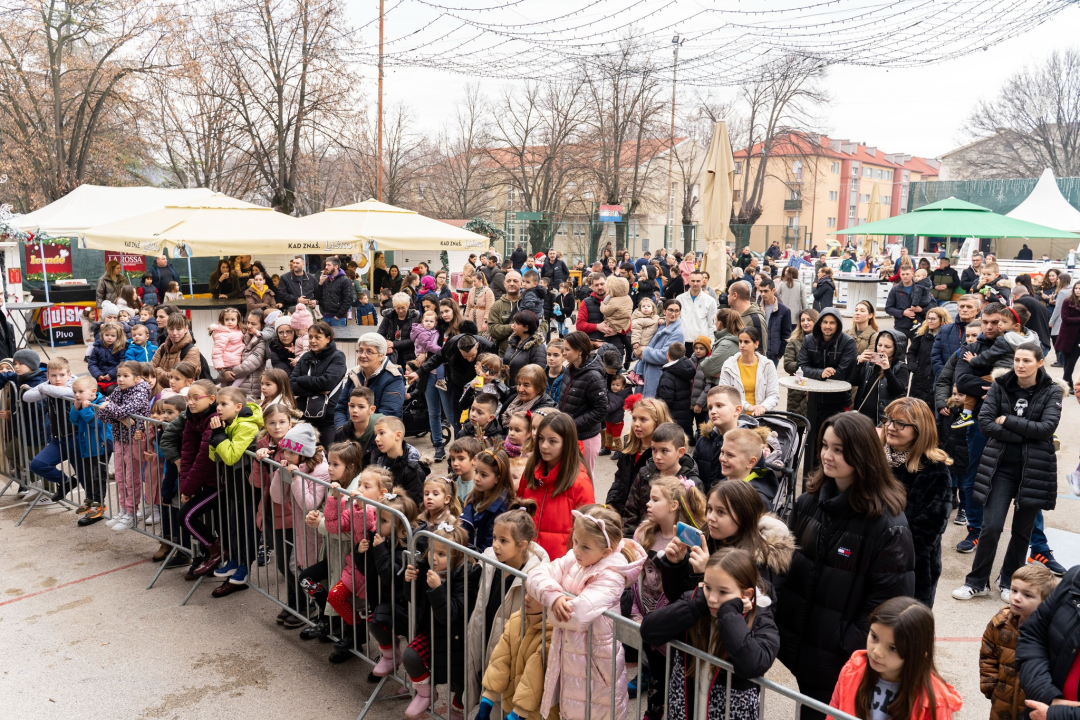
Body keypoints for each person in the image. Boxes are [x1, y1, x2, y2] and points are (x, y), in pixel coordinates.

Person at [775, 412, 915, 719]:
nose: (827, 455)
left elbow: (888, 602)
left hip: (839, 660)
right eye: (825, 445)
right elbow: (786, 565)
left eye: (838, 449)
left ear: (862, 453)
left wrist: (845, 646)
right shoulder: (808, 502)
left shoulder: (888, 525)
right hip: (801, 648)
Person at [953, 344, 1061, 602]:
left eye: (1026, 360)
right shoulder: (1000, 384)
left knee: (1022, 532)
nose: (1020, 365)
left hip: (1034, 470)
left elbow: (1047, 428)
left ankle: (1007, 581)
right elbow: (987, 423)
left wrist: (1008, 420)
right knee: (991, 526)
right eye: (1016, 359)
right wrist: (1025, 433)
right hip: (1000, 468)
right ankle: (977, 582)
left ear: (1040, 362)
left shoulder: (1052, 390)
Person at [526, 504, 646, 720]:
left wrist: (549, 605)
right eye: (575, 542)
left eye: (585, 547)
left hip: (597, 667)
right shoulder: (575, 558)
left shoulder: (612, 576)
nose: (576, 550)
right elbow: (535, 575)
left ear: (606, 552)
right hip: (571, 657)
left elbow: (575, 616)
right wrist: (554, 597)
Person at [828, 597, 963, 720]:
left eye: (893, 648)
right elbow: (833, 712)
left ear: (918, 654)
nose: (877, 652)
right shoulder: (852, 670)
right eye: (874, 637)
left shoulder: (935, 701)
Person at [880, 397, 953, 607]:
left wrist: (889, 559)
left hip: (912, 570)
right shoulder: (876, 458)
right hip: (871, 563)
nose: (891, 427)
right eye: (889, 420)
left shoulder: (934, 469)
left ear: (920, 430)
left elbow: (927, 532)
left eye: (900, 423)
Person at [980, 564, 1058, 720]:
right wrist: (991, 687)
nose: (1016, 597)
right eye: (1014, 590)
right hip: (1001, 703)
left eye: (1027, 595)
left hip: (1034, 708)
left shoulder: (1052, 633)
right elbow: (988, 655)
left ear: (1046, 601)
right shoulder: (1000, 623)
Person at [516, 411, 594, 559]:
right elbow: (518, 510)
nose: (544, 446)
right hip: (526, 557)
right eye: (541, 439)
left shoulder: (580, 483)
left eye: (552, 441)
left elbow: (587, 531)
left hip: (559, 564)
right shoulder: (530, 472)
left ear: (567, 443)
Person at [289, 321, 347, 447]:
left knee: (329, 455)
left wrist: (302, 379)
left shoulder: (337, 357)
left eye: (317, 337)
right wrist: (315, 389)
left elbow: (327, 383)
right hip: (304, 416)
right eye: (310, 337)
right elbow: (292, 385)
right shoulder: (305, 357)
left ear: (328, 339)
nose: (312, 340)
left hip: (328, 418)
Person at [557, 332, 607, 474]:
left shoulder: (593, 376)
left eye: (567, 350)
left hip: (586, 438)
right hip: (570, 434)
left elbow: (601, 410)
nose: (564, 353)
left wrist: (572, 424)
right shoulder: (569, 369)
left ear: (579, 351)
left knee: (584, 479)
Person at [851, 329, 910, 425]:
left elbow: (898, 391)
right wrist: (859, 363)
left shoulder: (901, 367)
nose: (882, 349)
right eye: (879, 345)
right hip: (862, 418)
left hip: (882, 420)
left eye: (887, 347)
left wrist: (887, 370)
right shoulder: (870, 362)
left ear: (896, 348)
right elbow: (854, 381)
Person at [719, 326, 779, 416]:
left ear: (756, 344)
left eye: (746, 342)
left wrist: (762, 407)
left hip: (761, 417)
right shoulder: (729, 365)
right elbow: (725, 394)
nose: (742, 345)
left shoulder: (768, 365)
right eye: (740, 341)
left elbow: (773, 394)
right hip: (735, 417)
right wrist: (748, 407)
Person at [638, 299, 685, 398]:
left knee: (653, 407)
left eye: (677, 311)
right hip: (648, 372)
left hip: (660, 375)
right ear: (664, 311)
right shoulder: (660, 326)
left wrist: (643, 350)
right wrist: (638, 350)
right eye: (671, 310)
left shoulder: (678, 333)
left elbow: (665, 355)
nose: (673, 314)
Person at [931, 293, 981, 375]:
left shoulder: (983, 332)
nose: (965, 309)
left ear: (977, 310)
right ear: (958, 309)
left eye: (969, 307)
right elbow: (936, 356)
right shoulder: (945, 330)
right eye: (962, 306)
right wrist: (944, 376)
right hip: (945, 381)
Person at [656, 343, 697, 441]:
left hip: (670, 417)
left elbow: (665, 401)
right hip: (683, 415)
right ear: (684, 355)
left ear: (667, 355)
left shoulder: (668, 375)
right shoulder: (686, 371)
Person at [908, 308, 948, 405]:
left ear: (942, 320)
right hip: (920, 379)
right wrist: (914, 368)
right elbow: (911, 353)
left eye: (933, 319)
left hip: (937, 378)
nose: (929, 321)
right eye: (928, 318)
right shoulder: (921, 336)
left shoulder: (946, 338)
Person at [886, 265, 936, 337]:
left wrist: (921, 310)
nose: (905, 276)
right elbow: (888, 308)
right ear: (900, 275)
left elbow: (933, 304)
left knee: (918, 348)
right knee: (900, 348)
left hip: (919, 325)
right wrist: (903, 313)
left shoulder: (921, 287)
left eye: (907, 274)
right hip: (901, 325)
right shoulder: (895, 289)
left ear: (912, 274)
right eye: (903, 274)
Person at [676, 271, 718, 356]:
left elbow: (712, 324)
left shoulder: (710, 301)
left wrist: (710, 342)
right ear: (688, 281)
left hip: (701, 343)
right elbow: (676, 321)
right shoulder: (680, 299)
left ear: (703, 281)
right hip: (682, 342)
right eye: (693, 281)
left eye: (698, 281)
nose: (695, 283)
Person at [503, 311, 547, 386]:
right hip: (509, 390)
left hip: (524, 392)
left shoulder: (538, 347)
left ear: (526, 328)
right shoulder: (513, 341)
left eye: (517, 324)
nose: (513, 326)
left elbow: (538, 375)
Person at [727, 281, 768, 358]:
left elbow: (760, 351)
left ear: (735, 295)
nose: (727, 296)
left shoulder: (755, 319)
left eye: (729, 293)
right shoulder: (734, 315)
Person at [488, 270, 524, 355]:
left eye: (515, 281)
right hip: (504, 355)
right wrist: (512, 327)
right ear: (504, 284)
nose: (511, 283)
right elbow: (492, 330)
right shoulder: (497, 306)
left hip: (527, 355)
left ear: (521, 284)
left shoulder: (529, 303)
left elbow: (543, 325)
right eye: (508, 281)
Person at [315, 257, 354, 327]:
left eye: (329, 265)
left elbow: (348, 300)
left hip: (337, 318)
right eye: (326, 265)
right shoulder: (325, 279)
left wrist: (338, 315)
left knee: (337, 337)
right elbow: (317, 297)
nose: (326, 267)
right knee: (325, 338)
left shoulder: (345, 280)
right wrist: (320, 284)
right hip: (325, 316)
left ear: (336, 266)